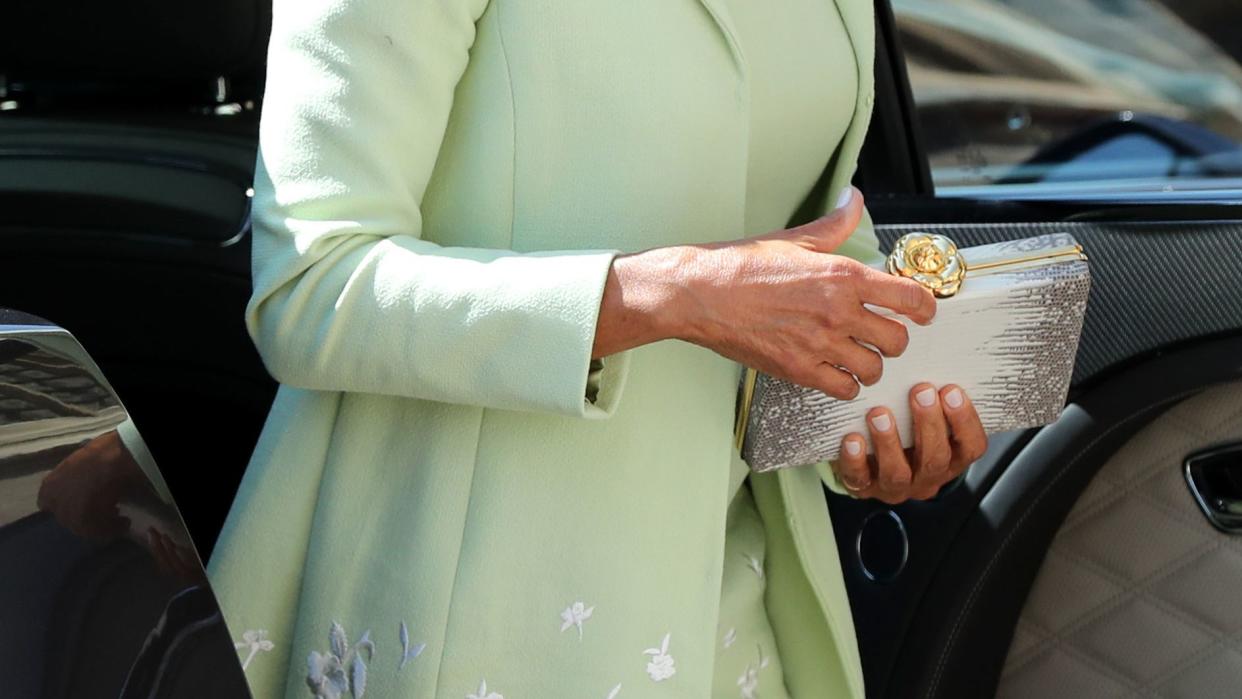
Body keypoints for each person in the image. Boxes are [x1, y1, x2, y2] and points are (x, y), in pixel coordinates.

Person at [207, 0, 988, 696]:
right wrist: (672, 292)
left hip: (738, 602)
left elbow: (811, 242)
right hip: (485, 608)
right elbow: (310, 288)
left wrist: (871, 419)